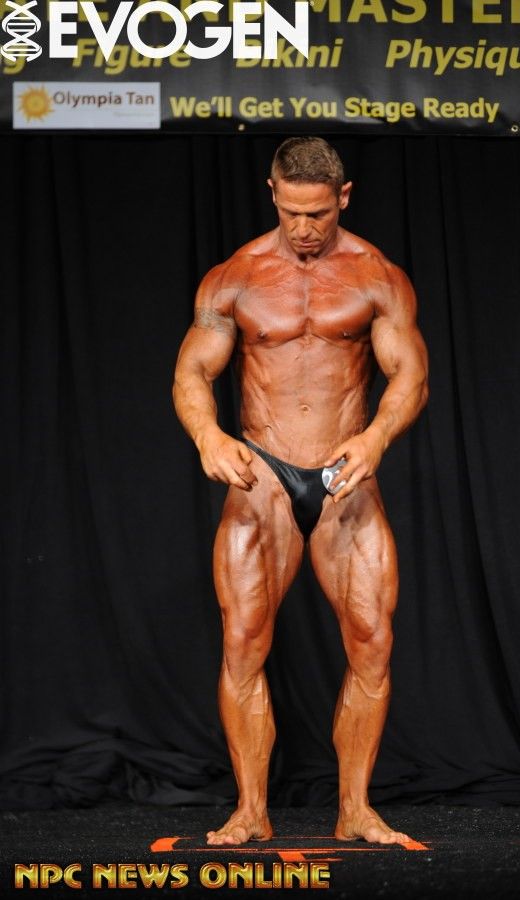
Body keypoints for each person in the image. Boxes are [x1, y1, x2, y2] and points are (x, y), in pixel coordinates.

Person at [173, 137, 429, 846]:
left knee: (372, 642)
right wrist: (208, 436)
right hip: (263, 477)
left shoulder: (378, 276)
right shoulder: (235, 278)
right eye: (291, 212)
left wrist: (376, 438)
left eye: (317, 213)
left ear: (343, 197)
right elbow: (193, 371)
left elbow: (410, 375)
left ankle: (356, 811)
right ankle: (251, 812)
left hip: (347, 478)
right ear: (273, 194)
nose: (304, 228)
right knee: (242, 643)